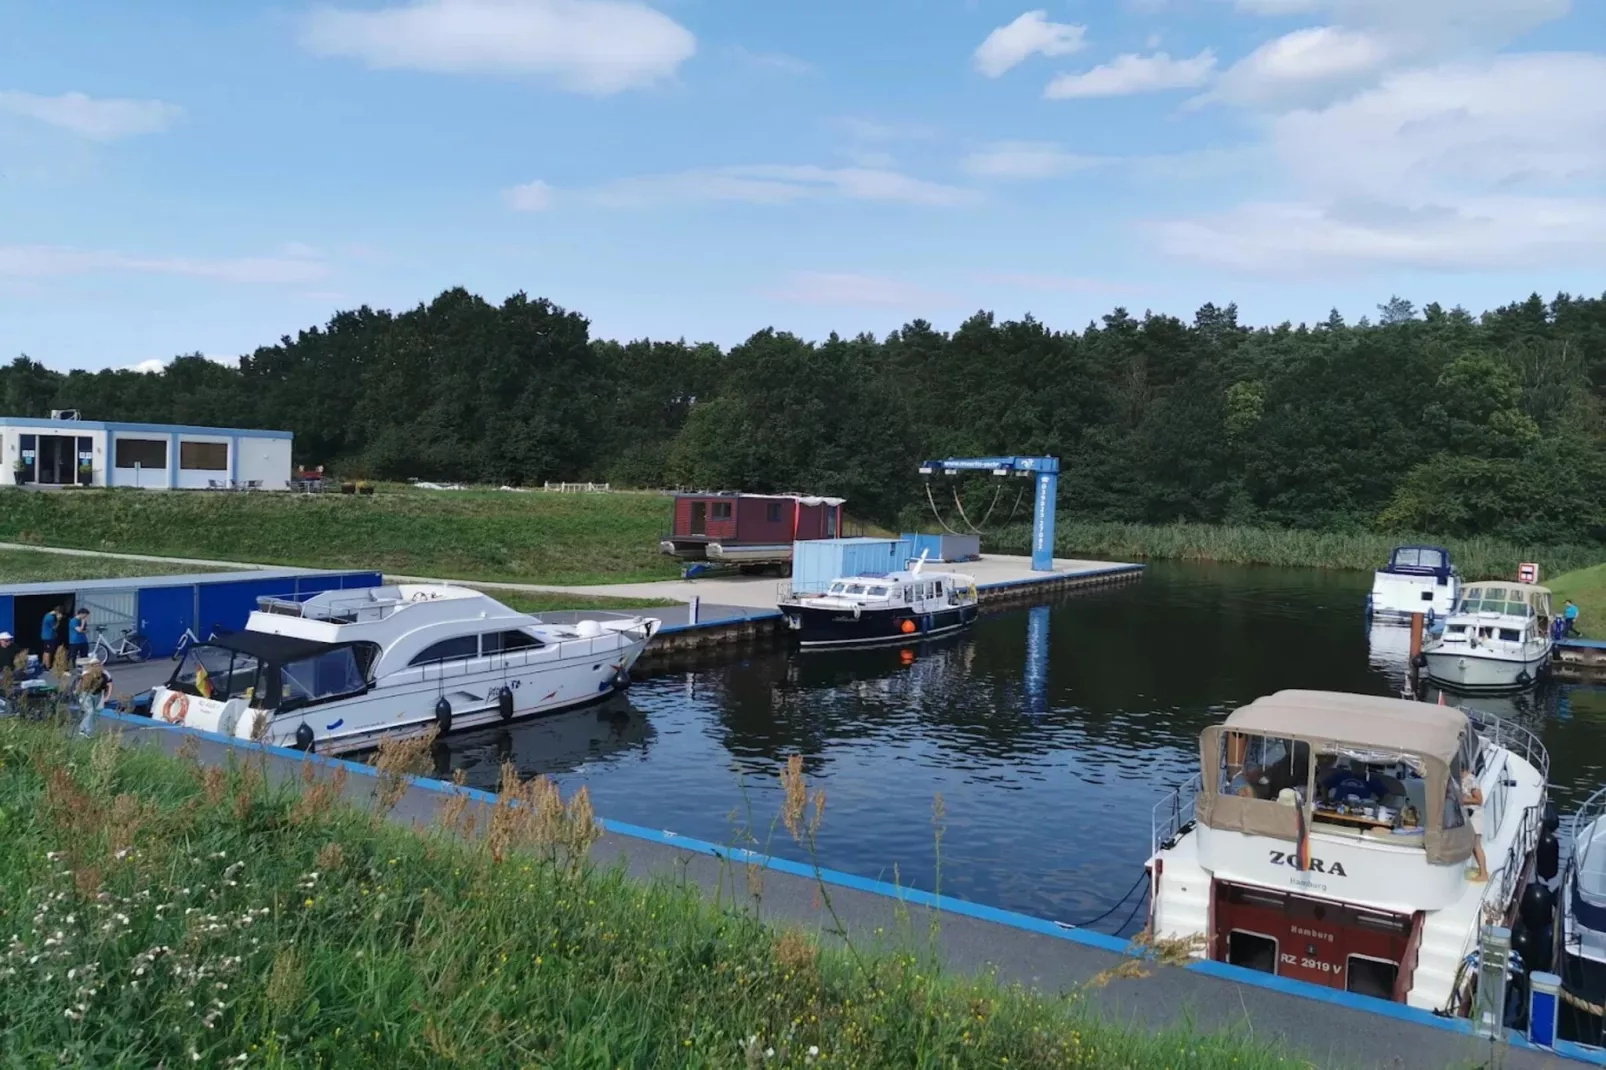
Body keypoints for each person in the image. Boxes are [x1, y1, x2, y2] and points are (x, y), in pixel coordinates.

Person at [74, 654, 113, 738]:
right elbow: (80, 683)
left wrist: (107, 697)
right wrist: (77, 692)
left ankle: (83, 728)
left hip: (98, 694)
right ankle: (86, 731)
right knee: (90, 711)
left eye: (98, 664)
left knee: (92, 713)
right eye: (94, 665)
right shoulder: (86, 673)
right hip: (86, 694)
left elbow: (110, 685)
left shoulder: (105, 674)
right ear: (91, 666)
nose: (97, 666)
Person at [1462, 766, 1489, 882]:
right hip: (1467, 815)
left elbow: (1479, 800)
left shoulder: (1470, 780)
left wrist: (1463, 800)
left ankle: (1484, 873)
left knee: (1476, 844)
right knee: (1472, 845)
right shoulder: (1459, 779)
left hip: (1475, 815)